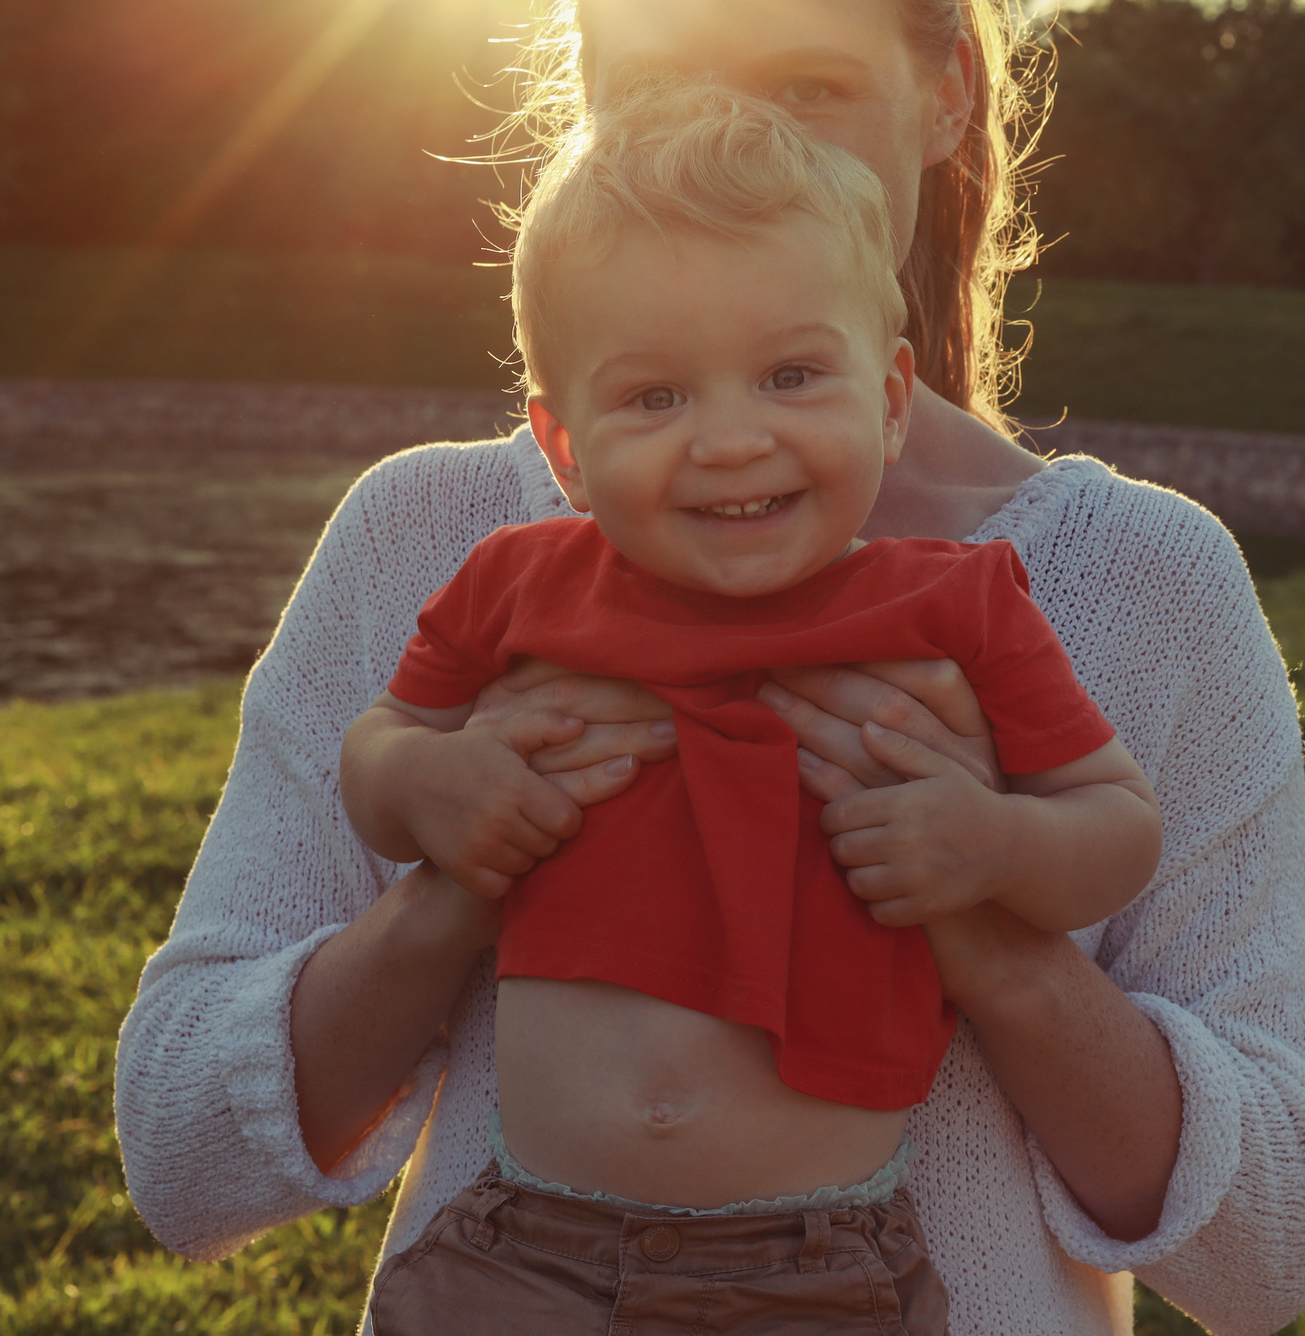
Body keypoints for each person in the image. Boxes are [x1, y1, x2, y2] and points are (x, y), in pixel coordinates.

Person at [114, 0, 1305, 1336]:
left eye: (811, 83)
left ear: (950, 93)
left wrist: (998, 934)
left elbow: (1273, 1248)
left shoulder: (1138, 582)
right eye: (655, 87)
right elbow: (178, 1149)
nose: (736, 146)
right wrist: (449, 886)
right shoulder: (436, 537)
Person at [346, 76, 1161, 1331]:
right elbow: (378, 749)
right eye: (655, 397)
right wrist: (429, 785)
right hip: (524, 1249)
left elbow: (1116, 824)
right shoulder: (518, 581)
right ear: (563, 448)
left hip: (816, 1268)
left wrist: (992, 843)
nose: (729, 440)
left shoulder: (958, 608)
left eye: (789, 376)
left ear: (888, 404)